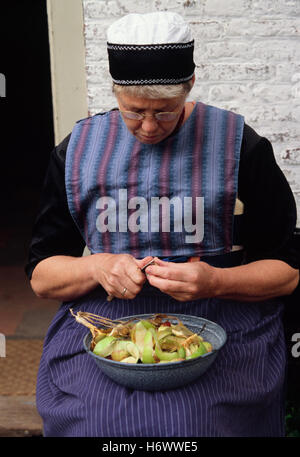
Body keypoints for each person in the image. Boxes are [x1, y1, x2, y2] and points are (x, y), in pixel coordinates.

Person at [25, 12, 299, 437]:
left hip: (222, 313)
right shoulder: (77, 151)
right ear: (115, 91)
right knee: (98, 422)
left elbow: (287, 272)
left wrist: (214, 282)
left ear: (189, 86)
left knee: (203, 423)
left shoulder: (238, 144)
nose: (149, 127)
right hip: (107, 318)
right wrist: (96, 267)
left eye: (166, 113)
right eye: (134, 112)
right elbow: (42, 277)